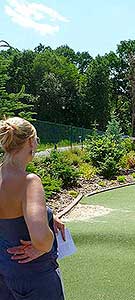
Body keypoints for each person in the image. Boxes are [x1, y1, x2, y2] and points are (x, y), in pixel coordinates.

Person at [0, 117, 65, 300]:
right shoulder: (29, 181)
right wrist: (45, 242)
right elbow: (42, 239)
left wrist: (49, 215)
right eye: (36, 140)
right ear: (30, 141)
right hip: (35, 278)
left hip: (5, 274)